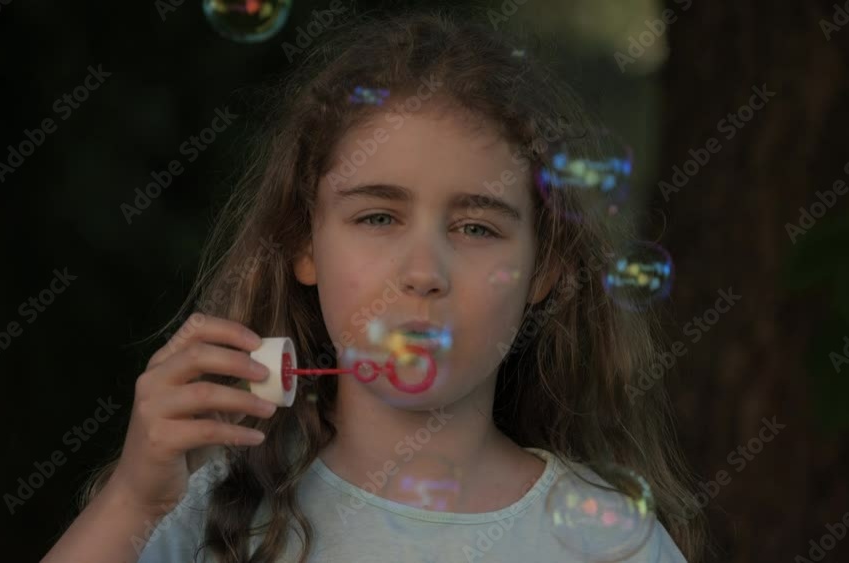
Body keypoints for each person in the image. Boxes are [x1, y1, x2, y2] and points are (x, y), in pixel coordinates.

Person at [42, 8, 706, 563]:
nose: (423, 273)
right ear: (303, 244)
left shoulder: (613, 543)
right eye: (378, 217)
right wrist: (132, 499)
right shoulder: (212, 507)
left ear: (544, 270)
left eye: (476, 227)